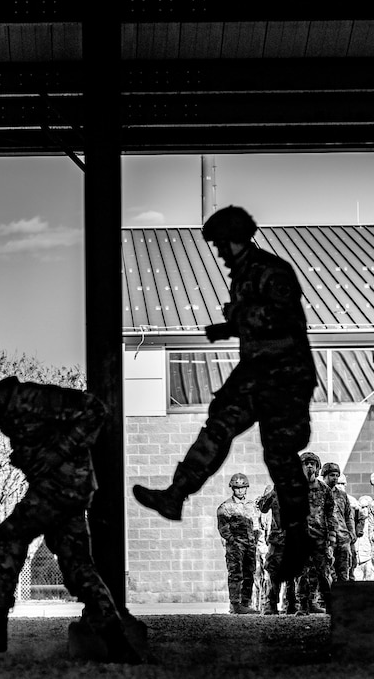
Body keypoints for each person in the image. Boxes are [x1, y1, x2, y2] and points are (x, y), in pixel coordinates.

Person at [133, 205, 317, 583]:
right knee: (218, 425)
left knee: (280, 453)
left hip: (285, 374)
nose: (217, 251)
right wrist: (231, 324)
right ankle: (176, 494)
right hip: (255, 371)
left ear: (235, 238)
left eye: (219, 243)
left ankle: (298, 536)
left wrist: (236, 319)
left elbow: (286, 320)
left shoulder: (272, 270)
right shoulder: (244, 273)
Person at [0, 358, 146, 663]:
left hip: (63, 486)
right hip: (62, 486)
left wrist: (57, 453)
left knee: (6, 538)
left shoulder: (29, 397)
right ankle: (118, 645)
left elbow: (94, 409)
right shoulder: (6, 410)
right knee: (78, 566)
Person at [293, 452, 333, 615]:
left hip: (319, 539)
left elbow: (330, 514)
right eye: (306, 463)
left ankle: (329, 604)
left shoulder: (324, 488)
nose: (309, 466)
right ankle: (303, 605)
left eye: (312, 463)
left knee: (322, 573)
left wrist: (331, 537)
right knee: (302, 574)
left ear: (317, 467)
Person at [215, 473, 260, 614]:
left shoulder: (251, 505)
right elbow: (223, 528)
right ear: (232, 488)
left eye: (242, 488)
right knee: (235, 574)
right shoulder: (226, 507)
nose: (240, 490)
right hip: (235, 547)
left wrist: (254, 540)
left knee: (249, 574)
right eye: (237, 488)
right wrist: (233, 542)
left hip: (250, 545)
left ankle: (245, 603)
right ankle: (235, 604)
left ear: (246, 488)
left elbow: (257, 525)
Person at [256, 484, 288, 614]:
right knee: (273, 571)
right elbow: (263, 507)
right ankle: (271, 603)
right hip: (278, 539)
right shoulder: (275, 493)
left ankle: (293, 604)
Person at [322, 463, 356, 583]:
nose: (335, 478)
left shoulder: (342, 495)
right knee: (327, 574)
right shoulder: (318, 493)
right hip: (326, 539)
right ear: (324, 476)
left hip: (342, 538)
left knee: (344, 572)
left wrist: (351, 532)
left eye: (337, 475)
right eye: (332, 475)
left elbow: (348, 516)